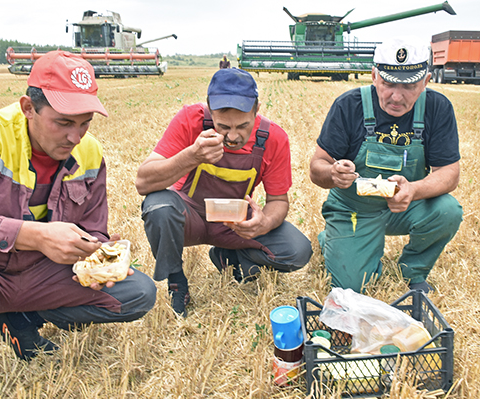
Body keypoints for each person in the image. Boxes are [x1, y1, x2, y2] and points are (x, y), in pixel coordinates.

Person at [0, 50, 156, 398]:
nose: (76, 136)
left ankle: (16, 320)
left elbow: (93, 228)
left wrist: (98, 256)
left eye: (85, 123)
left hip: (41, 275)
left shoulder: (90, 154)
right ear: (28, 108)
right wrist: (31, 234)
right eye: (64, 122)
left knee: (136, 294)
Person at [136, 68, 313, 317]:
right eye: (223, 126)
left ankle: (229, 258)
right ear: (209, 109)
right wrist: (192, 156)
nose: (231, 136)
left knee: (297, 250)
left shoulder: (273, 138)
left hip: (233, 223)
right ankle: (177, 282)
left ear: (257, 109)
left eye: (242, 126)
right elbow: (143, 182)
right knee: (158, 206)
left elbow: (278, 201)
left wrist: (264, 222)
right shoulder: (190, 119)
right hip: (189, 218)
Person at [309, 36, 462, 294]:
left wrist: (413, 190)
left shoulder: (437, 108)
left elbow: (450, 173)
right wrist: (333, 173)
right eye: (388, 83)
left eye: (409, 86)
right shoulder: (349, 106)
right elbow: (317, 167)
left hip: (404, 206)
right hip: (354, 208)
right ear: (374, 76)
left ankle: (413, 270)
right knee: (353, 286)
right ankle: (334, 239)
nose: (396, 96)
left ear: (425, 81)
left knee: (448, 210)